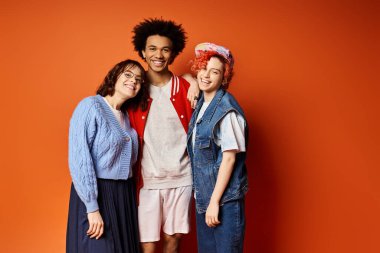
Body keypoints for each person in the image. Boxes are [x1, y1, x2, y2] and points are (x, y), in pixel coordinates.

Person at [66, 59, 148, 253]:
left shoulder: (128, 116)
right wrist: (92, 207)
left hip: (124, 196)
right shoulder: (90, 106)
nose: (133, 81)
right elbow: (80, 158)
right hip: (97, 193)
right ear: (114, 76)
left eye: (138, 79)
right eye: (128, 75)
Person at [127, 18, 194, 253]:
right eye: (152, 48)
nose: (158, 55)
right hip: (147, 180)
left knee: (173, 240)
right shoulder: (133, 90)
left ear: (172, 53)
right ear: (143, 52)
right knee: (146, 245)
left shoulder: (185, 88)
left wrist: (190, 79)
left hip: (182, 177)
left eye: (165, 49)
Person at [187, 43, 249, 253]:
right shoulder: (202, 105)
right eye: (203, 68)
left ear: (224, 77)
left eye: (215, 72)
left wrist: (214, 202)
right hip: (204, 199)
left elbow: (229, 159)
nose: (206, 75)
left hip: (224, 202)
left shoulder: (226, 110)